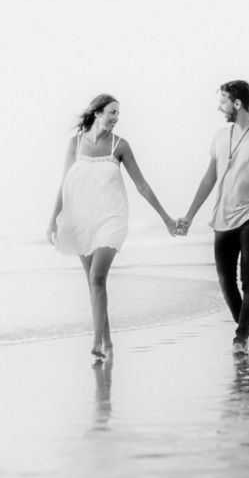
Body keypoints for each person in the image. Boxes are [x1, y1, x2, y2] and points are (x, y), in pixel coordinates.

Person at [47, 94, 180, 364]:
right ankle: (107, 340)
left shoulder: (120, 146)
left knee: (97, 277)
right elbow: (64, 184)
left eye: (118, 114)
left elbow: (141, 185)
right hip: (81, 220)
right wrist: (52, 219)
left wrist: (166, 218)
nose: (116, 118)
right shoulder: (75, 144)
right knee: (94, 284)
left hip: (112, 220)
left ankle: (96, 342)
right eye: (112, 112)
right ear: (97, 112)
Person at [176, 80, 249, 354]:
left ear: (237, 103)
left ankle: (241, 337)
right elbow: (209, 178)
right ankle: (245, 324)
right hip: (222, 217)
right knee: (225, 281)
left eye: (222, 101)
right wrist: (189, 215)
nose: (219, 107)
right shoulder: (221, 136)